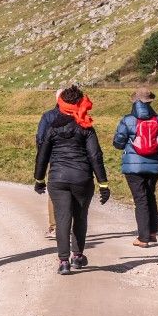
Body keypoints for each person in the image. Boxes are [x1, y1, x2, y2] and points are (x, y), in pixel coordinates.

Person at [34, 85, 110, 275]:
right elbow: (95, 156)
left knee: (62, 219)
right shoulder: (87, 128)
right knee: (80, 217)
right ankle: (77, 256)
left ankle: (63, 261)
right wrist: (103, 183)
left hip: (58, 178)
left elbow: (42, 156)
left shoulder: (52, 128)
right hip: (82, 178)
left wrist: (39, 180)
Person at [113, 86, 158, 247]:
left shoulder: (127, 120)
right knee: (150, 195)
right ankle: (152, 233)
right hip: (154, 165)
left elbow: (118, 143)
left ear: (135, 101)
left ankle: (143, 238)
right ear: (150, 102)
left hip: (133, 167)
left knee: (140, 200)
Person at [36, 88, 64, 241]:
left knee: (54, 192)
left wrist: (43, 157)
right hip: (75, 160)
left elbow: (40, 138)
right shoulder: (78, 115)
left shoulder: (48, 116)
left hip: (53, 159)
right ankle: (68, 226)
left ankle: (54, 227)